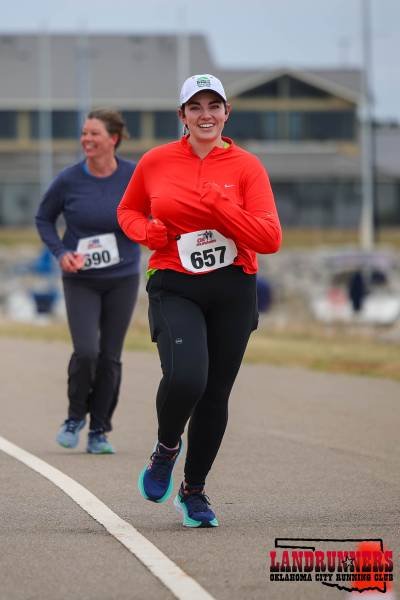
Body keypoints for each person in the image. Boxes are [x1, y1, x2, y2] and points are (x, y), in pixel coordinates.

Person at [117, 74, 281, 527]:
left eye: (214, 106)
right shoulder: (155, 161)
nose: (205, 114)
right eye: (196, 107)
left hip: (233, 286)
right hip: (175, 282)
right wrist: (146, 232)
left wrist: (221, 208)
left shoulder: (247, 167)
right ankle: (166, 448)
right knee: (187, 377)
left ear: (227, 113)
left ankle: (193, 491)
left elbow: (269, 238)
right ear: (182, 115)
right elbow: (127, 210)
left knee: (215, 393)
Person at [36, 109, 140, 454]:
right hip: (80, 279)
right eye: (84, 133)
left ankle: (99, 430)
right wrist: (60, 252)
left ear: (113, 139)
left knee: (110, 356)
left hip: (122, 277)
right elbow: (44, 218)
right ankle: (74, 416)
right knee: (86, 352)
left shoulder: (134, 176)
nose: (86, 139)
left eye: (94, 134)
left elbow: (152, 212)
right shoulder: (68, 180)